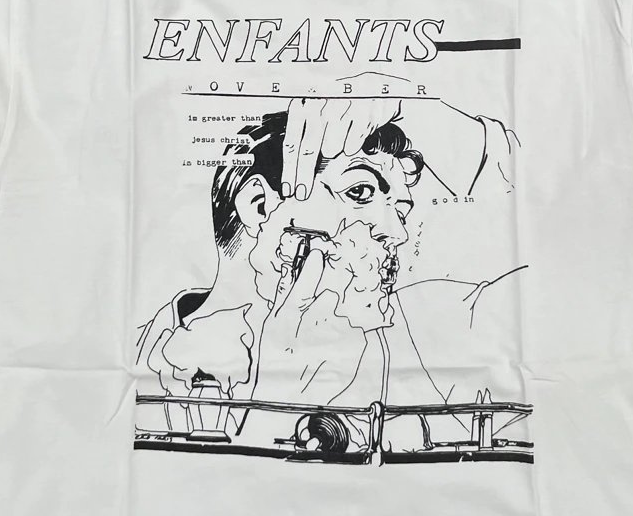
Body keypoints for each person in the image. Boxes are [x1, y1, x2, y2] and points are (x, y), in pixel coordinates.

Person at [135, 96, 529, 455]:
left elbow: (550, 233)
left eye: (400, 209)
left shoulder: (433, 324)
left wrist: (415, 105)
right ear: (259, 206)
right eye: (360, 193)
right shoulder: (127, 359)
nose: (397, 233)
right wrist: (287, 404)